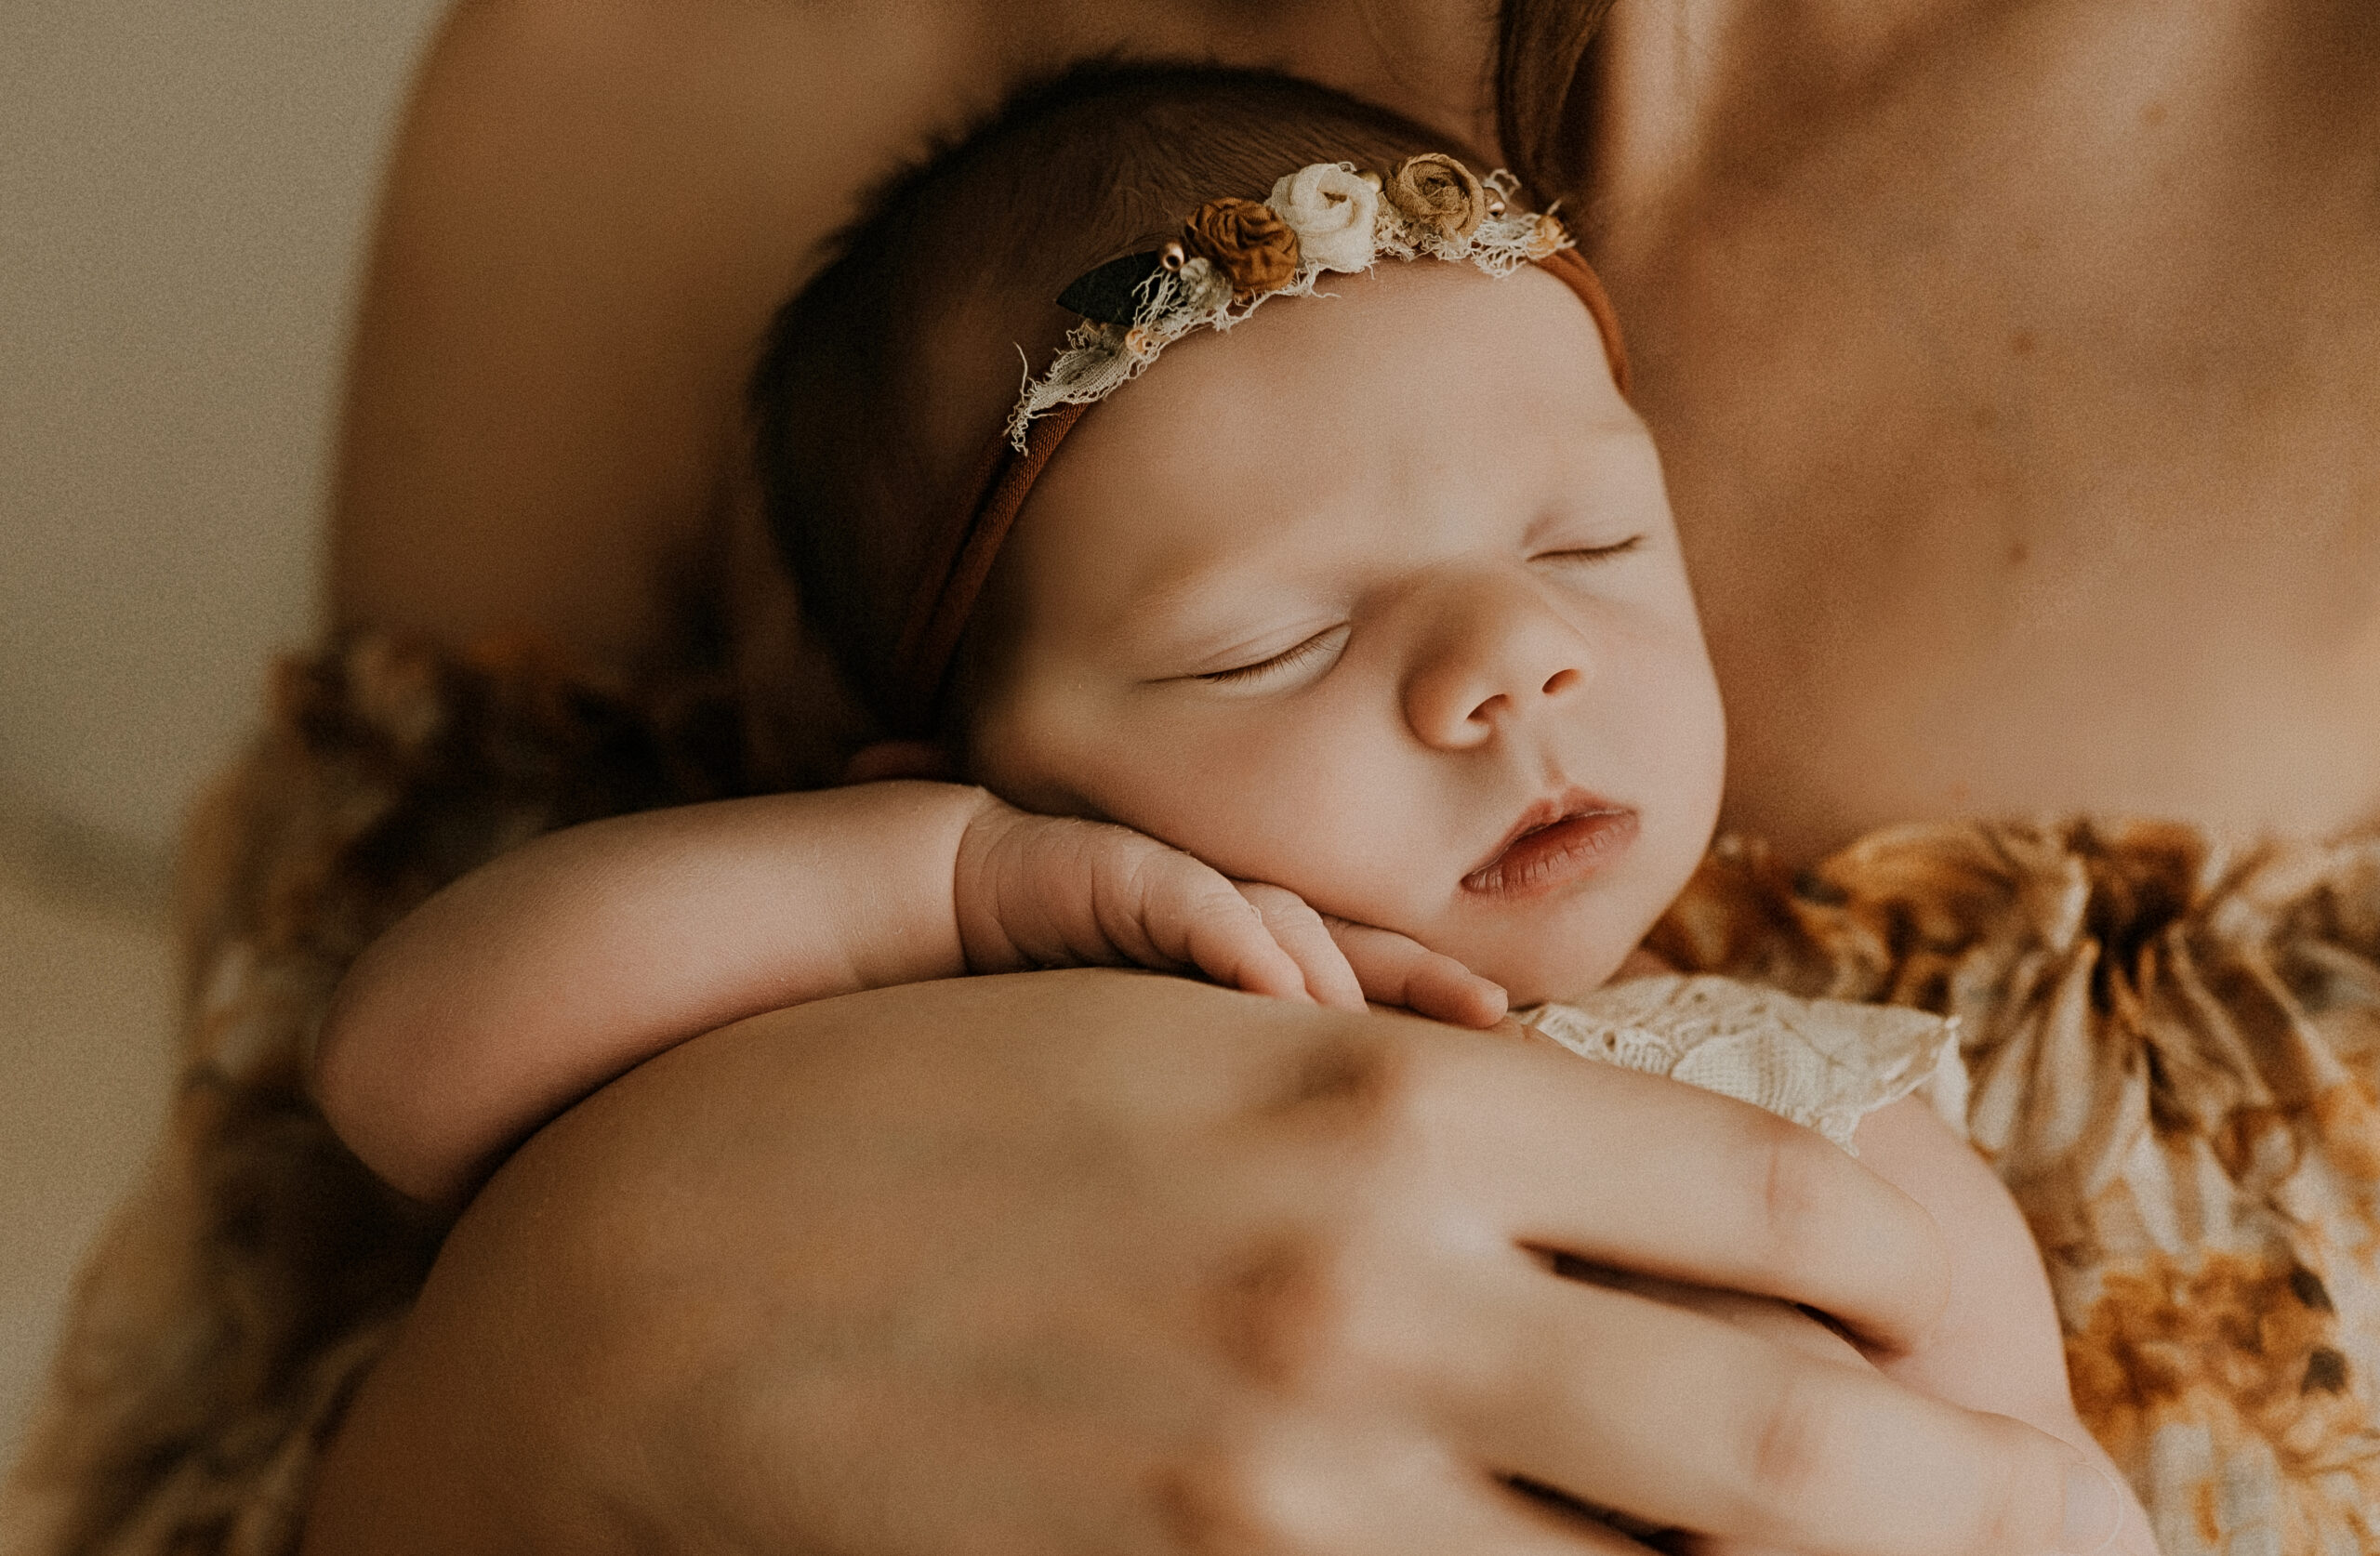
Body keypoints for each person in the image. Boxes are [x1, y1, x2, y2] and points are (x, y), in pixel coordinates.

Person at [4, 2, 2371, 1553]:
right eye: (1269, 642)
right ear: (970, 756)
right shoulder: (955, 946)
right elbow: (403, 1072)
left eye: (1589, 546)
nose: (1507, 668)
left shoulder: (1823, 1121)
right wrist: (934, 892)